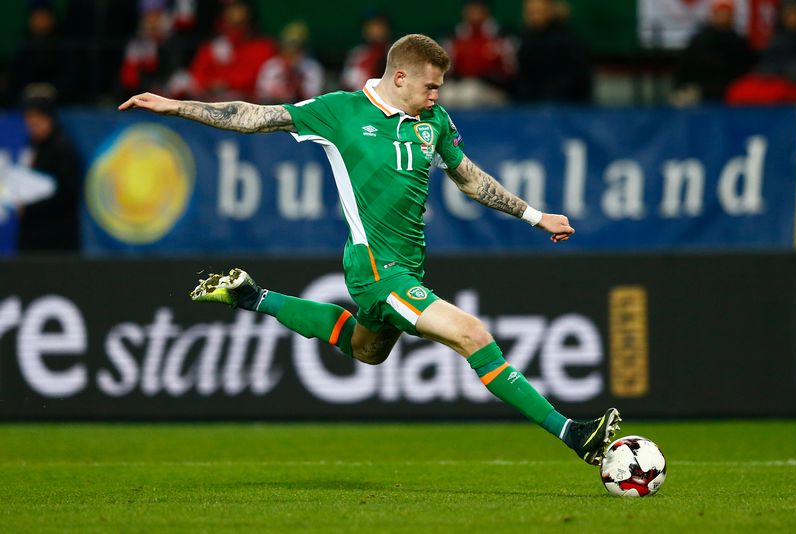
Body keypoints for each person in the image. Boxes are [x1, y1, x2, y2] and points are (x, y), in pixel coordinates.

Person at [119, 34, 620, 465]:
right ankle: (573, 432)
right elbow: (253, 116)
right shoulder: (339, 112)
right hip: (377, 270)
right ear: (399, 77)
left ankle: (253, 297)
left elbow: (467, 177)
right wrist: (176, 106)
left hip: (410, 268)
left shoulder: (434, 122)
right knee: (472, 334)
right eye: (430, 86)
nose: (436, 95)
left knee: (366, 350)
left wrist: (533, 216)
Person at [17, 84, 82, 252]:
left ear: (49, 119)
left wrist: (30, 209)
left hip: (56, 240)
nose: (33, 128)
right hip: (34, 237)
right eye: (30, 124)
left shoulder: (62, 149)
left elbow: (67, 193)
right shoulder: (33, 147)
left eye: (37, 122)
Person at [672, 0, 755, 105]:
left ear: (732, 16)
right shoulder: (700, 40)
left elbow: (742, 73)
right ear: (712, 15)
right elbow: (685, 69)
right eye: (720, 13)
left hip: (728, 94)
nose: (723, 16)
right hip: (696, 91)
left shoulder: (739, 42)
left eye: (726, 13)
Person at [514, 0, 592, 103]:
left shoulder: (568, 40)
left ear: (550, 11)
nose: (534, 16)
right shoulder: (522, 40)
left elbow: (577, 78)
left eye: (538, 11)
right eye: (530, 12)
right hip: (530, 105)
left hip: (566, 105)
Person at [255, 21, 324, 104]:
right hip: (274, 110)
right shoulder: (272, 65)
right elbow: (263, 95)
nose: (292, 49)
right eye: (289, 44)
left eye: (297, 44)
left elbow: (313, 98)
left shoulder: (312, 67)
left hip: (302, 111)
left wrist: (295, 76)